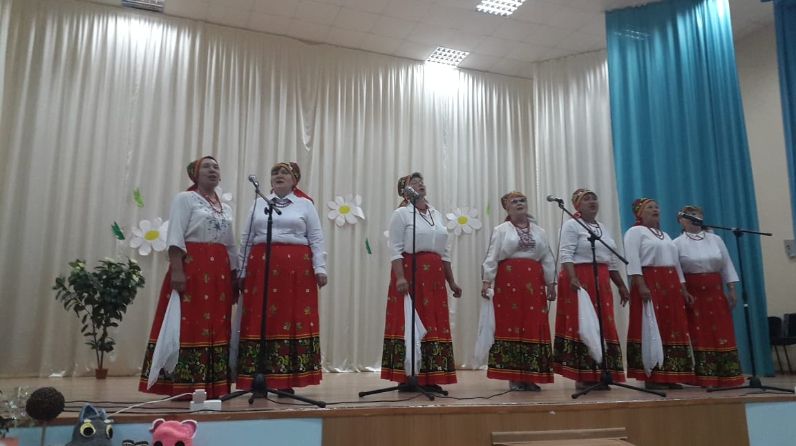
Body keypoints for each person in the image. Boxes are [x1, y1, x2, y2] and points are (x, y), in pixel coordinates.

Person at [139, 156, 239, 399]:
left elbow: (230, 245)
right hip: (193, 268)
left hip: (219, 273)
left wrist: (235, 277)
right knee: (190, 323)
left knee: (218, 325)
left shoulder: (225, 208)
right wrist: (177, 269)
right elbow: (175, 235)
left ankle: (214, 385)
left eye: (216, 167)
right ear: (195, 174)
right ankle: (185, 385)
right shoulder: (185, 199)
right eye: (206, 166)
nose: (212, 170)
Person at [236, 162, 327, 393]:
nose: (279, 175)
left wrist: (320, 268)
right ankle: (259, 377)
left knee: (291, 318)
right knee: (261, 318)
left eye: (284, 172)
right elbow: (246, 238)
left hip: (297, 271)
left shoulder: (305, 204)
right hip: (261, 268)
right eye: (275, 172)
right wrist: (241, 270)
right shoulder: (259, 203)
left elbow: (316, 238)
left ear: (294, 179)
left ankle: (286, 379)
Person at [381, 172, 462, 387]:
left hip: (434, 277)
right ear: (405, 191)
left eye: (421, 182)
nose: (420, 185)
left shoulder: (436, 214)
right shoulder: (402, 214)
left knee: (433, 320)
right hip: (410, 273)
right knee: (410, 320)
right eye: (414, 183)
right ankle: (408, 375)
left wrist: (451, 282)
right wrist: (400, 277)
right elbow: (395, 249)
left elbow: (444, 252)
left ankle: (431, 375)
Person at [553, 189, 630, 390]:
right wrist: (572, 277)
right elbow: (566, 254)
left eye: (594, 198)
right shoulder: (571, 225)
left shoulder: (602, 228)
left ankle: (602, 373)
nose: (592, 201)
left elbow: (610, 260)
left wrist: (621, 285)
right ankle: (584, 376)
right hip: (579, 279)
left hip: (601, 279)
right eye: (586, 199)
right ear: (577, 205)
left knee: (604, 323)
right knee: (585, 323)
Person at [481, 191, 556, 391]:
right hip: (509, 282)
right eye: (514, 201)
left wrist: (551, 283)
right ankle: (514, 376)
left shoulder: (539, 231)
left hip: (534, 283)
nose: (519, 203)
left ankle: (531, 375)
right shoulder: (501, 230)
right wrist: (487, 281)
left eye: (522, 200)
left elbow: (547, 258)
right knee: (511, 324)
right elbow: (492, 256)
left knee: (533, 324)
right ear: (507, 208)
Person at [624, 198, 695, 390]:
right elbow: (632, 260)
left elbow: (675, 263)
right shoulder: (635, 232)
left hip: (670, 284)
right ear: (639, 213)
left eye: (656, 207)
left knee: (673, 326)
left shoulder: (665, 235)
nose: (655, 209)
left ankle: (671, 375)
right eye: (649, 207)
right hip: (650, 281)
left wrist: (683, 288)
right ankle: (652, 376)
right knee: (652, 325)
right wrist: (641, 285)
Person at [673, 205, 743, 387]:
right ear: (681, 221)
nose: (692, 217)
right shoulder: (677, 243)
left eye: (695, 214)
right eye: (688, 215)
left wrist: (731, 289)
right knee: (699, 331)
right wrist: (683, 291)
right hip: (694, 293)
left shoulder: (715, 239)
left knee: (721, 329)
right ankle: (703, 375)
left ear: (702, 217)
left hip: (715, 291)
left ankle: (726, 373)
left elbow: (726, 265)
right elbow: (677, 271)